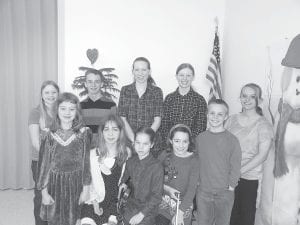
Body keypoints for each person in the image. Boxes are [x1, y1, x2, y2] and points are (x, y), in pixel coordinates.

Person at [37, 92, 92, 225]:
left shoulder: (83, 133)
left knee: (75, 219)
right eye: (63, 108)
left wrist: (86, 190)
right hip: (55, 184)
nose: (67, 112)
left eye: (72, 109)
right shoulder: (49, 134)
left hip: (76, 183)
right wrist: (44, 192)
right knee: (55, 220)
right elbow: (44, 165)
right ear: (57, 110)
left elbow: (86, 163)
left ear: (77, 111)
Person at [225, 83, 274, 225]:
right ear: (239, 98)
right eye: (244, 96)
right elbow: (222, 146)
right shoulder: (231, 120)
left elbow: (262, 155)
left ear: (259, 100)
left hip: (250, 178)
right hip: (228, 175)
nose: (247, 99)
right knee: (229, 216)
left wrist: (238, 172)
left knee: (245, 217)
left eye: (252, 96)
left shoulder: (263, 125)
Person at [195, 99, 241, 225]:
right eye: (212, 113)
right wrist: (198, 182)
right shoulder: (200, 138)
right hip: (203, 192)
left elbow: (236, 165)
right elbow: (196, 161)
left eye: (220, 114)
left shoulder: (232, 140)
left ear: (226, 116)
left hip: (224, 193)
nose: (215, 117)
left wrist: (231, 186)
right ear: (207, 114)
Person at [80, 114, 131, 225]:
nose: (110, 134)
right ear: (101, 132)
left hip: (114, 204)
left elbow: (128, 181)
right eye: (106, 129)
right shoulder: (93, 154)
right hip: (94, 201)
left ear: (121, 132)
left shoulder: (126, 153)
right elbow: (88, 183)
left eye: (115, 129)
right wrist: (94, 202)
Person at [118, 57, 163, 156]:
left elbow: (157, 120)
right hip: (130, 143)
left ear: (149, 71)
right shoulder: (125, 90)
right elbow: (122, 118)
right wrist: (135, 141)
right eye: (137, 70)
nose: (140, 73)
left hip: (150, 144)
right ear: (133, 71)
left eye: (144, 70)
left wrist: (144, 141)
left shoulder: (157, 92)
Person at [28, 80, 59, 225]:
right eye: (47, 92)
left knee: (56, 195)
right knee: (41, 197)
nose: (50, 95)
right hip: (40, 162)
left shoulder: (62, 111)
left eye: (53, 92)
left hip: (60, 163)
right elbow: (35, 143)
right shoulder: (36, 112)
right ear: (41, 94)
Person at [156, 124, 199, 225]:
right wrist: (168, 189)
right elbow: (153, 179)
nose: (181, 145)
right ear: (171, 141)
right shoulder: (164, 155)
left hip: (184, 206)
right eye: (177, 141)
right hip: (163, 204)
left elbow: (191, 190)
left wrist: (180, 213)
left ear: (189, 142)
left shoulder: (194, 161)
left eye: (185, 141)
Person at [119, 127, 164, 225]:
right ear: (133, 143)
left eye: (145, 144)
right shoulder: (130, 162)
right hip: (130, 206)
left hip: (147, 211)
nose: (140, 147)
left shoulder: (157, 167)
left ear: (152, 145)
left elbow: (156, 197)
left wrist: (141, 215)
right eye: (138, 143)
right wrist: (122, 184)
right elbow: (124, 180)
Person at [161, 63, 207, 144]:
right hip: (170, 145)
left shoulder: (200, 100)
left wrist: (187, 144)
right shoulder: (169, 98)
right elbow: (164, 125)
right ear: (176, 76)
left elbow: (200, 127)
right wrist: (171, 142)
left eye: (188, 75)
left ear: (193, 77)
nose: (184, 78)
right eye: (181, 75)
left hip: (190, 146)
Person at [81, 69, 117, 137]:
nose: (93, 85)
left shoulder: (111, 105)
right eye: (90, 81)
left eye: (97, 81)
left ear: (102, 84)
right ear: (85, 84)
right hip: (85, 145)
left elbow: (115, 128)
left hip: (104, 144)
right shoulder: (80, 106)